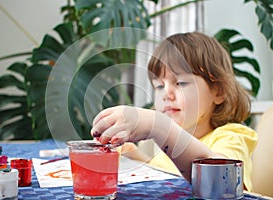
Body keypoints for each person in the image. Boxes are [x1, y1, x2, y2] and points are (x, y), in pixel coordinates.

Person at [91, 32, 258, 191]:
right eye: (159, 86)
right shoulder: (166, 146)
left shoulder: (231, 136)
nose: (166, 94)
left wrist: (160, 126)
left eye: (180, 83)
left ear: (218, 92)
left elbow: (222, 184)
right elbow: (168, 173)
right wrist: (133, 154)